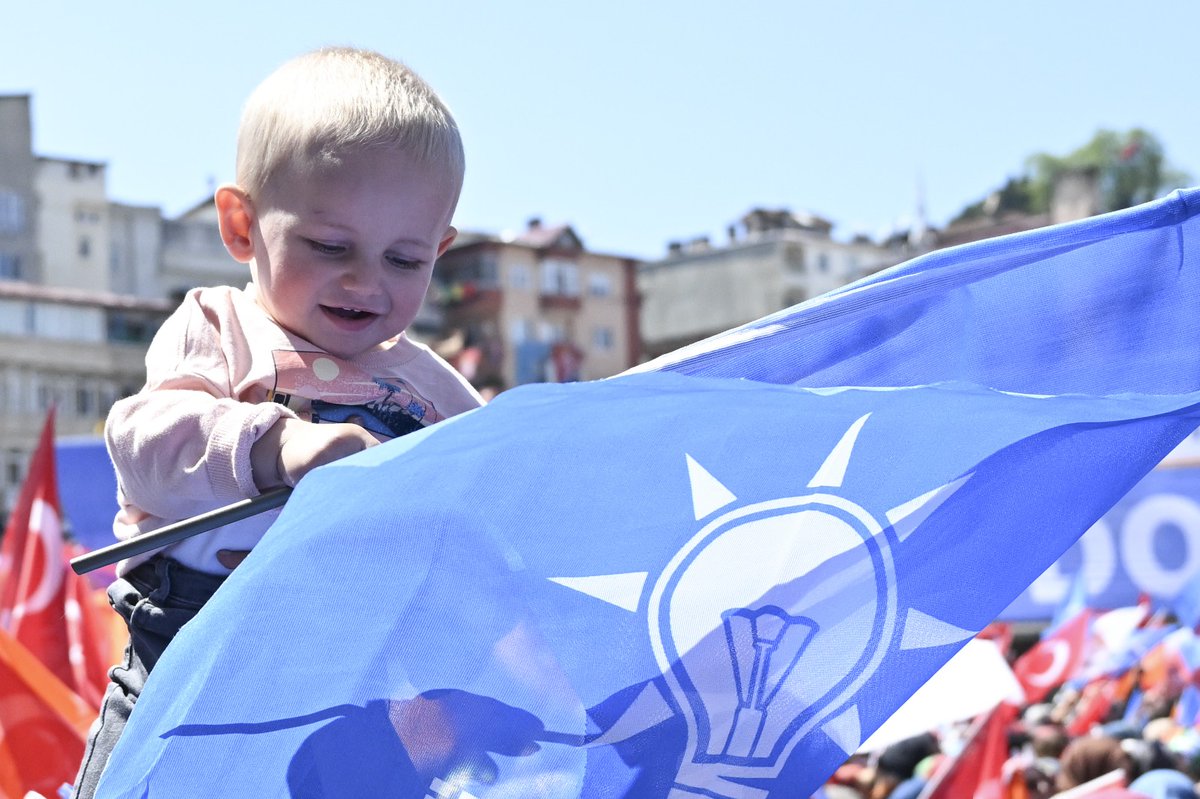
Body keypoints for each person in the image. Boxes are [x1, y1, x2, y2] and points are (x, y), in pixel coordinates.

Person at [71, 46, 482, 799]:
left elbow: (490, 497)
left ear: (441, 251)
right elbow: (143, 441)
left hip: (357, 659)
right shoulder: (220, 325)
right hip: (194, 632)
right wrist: (279, 445)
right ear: (241, 225)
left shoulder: (432, 388)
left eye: (404, 258)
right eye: (331, 246)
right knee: (143, 781)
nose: (367, 281)